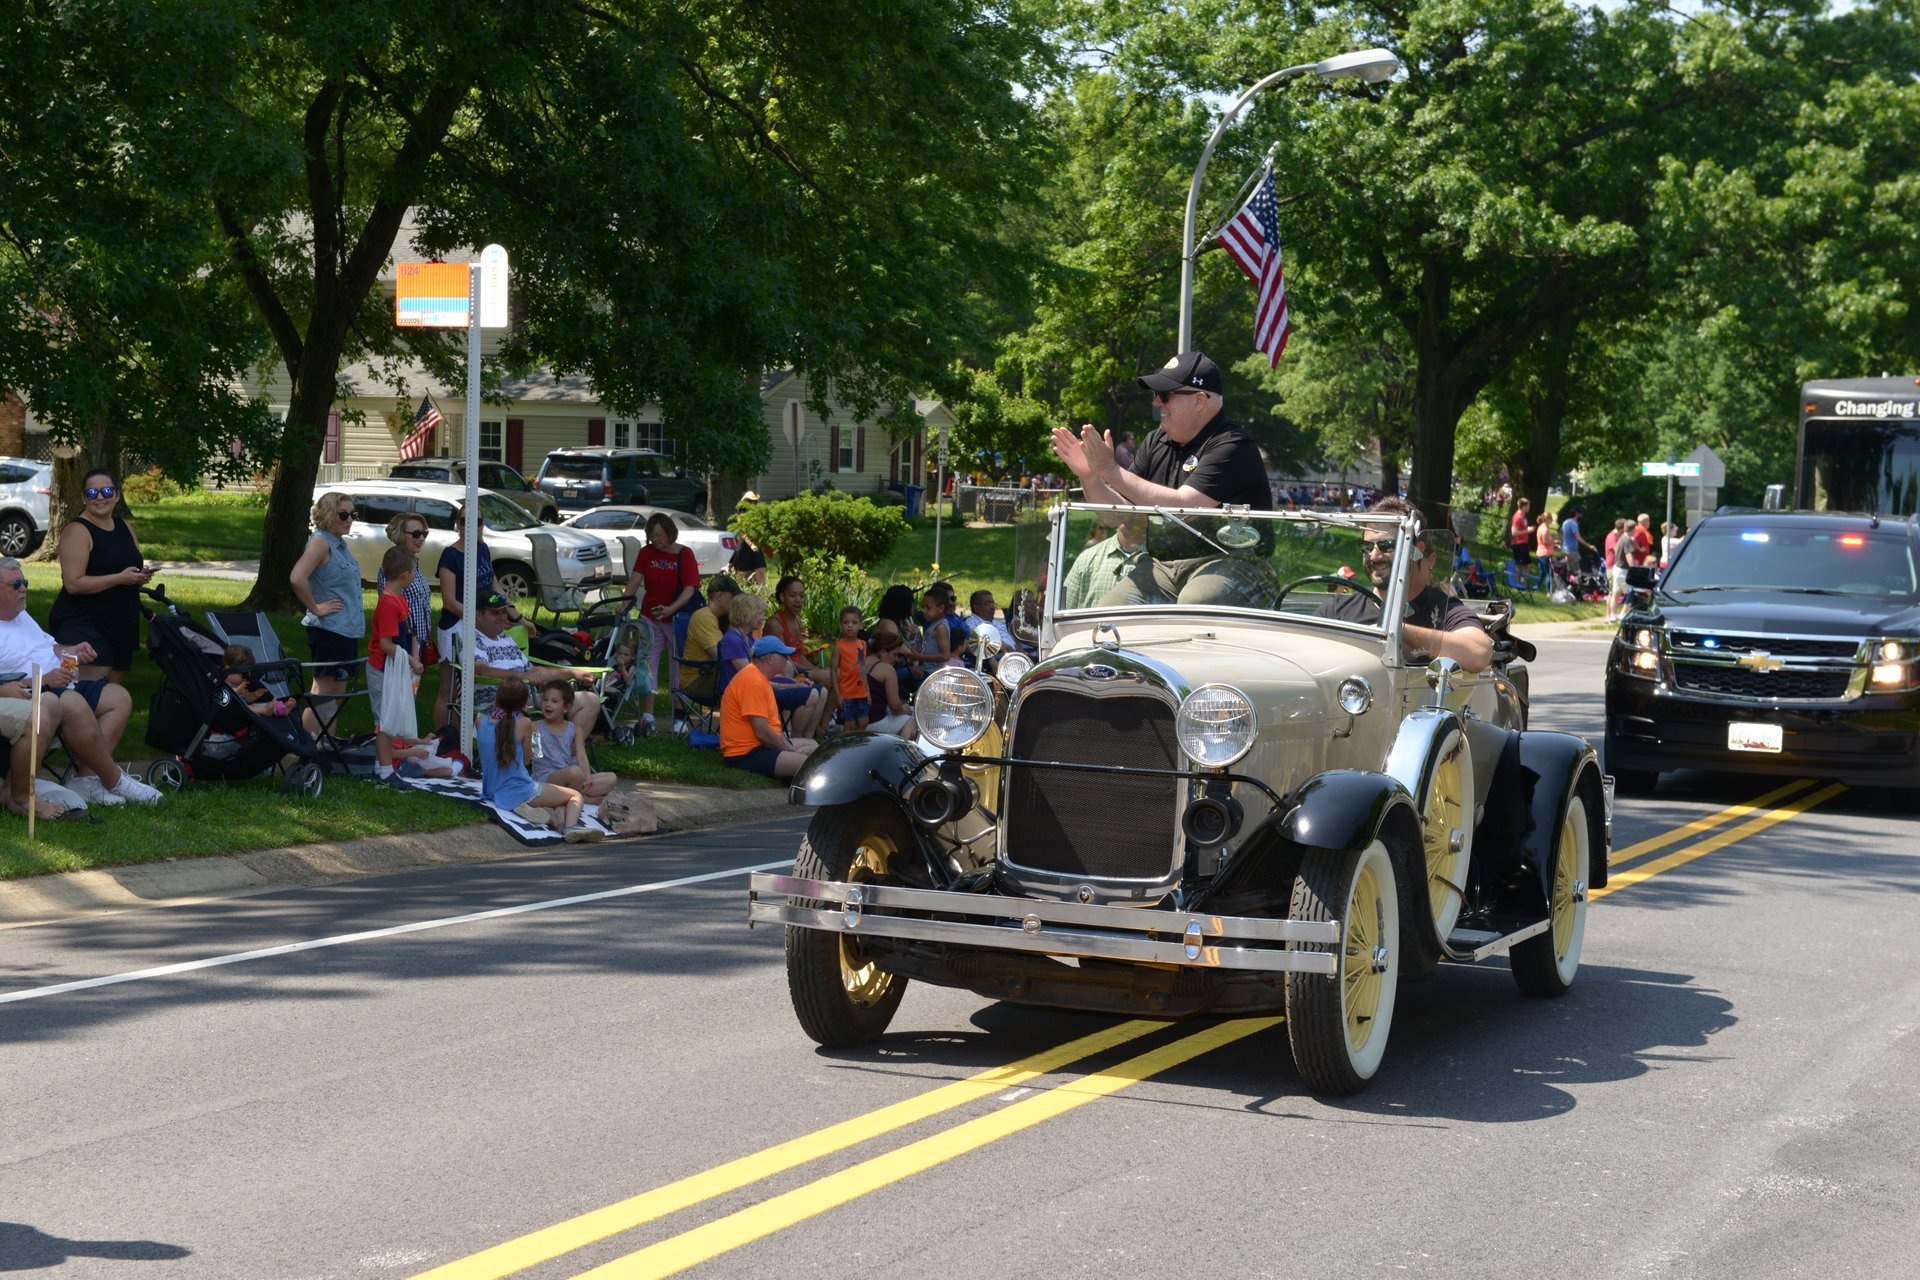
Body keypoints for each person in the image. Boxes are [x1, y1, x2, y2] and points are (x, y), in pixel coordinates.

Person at [1050, 350, 1275, 606]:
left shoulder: (1233, 446)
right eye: (1156, 395)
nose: (1157, 403)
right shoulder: (1156, 441)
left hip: (1235, 562)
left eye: (1165, 395)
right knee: (1109, 610)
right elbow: (1117, 516)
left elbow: (1186, 506)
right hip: (1163, 565)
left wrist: (1111, 470)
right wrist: (1091, 476)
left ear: (1199, 400)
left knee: (1196, 602)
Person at [0, 557, 162, 805]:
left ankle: (85, 780)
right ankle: (115, 780)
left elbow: (50, 647)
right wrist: (45, 681)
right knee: (73, 702)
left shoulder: (21, 616)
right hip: (38, 693)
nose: (24, 588)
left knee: (118, 697)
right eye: (16, 584)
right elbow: (9, 686)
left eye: (25, 582)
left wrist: (72, 651)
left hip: (62, 683)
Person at [1315, 499, 1492, 672]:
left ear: (1417, 549)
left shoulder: (1444, 610)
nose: (1374, 557)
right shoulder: (1337, 610)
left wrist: (1393, 631)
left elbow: (1479, 654)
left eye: (1387, 546)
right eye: (1367, 546)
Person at [48, 467, 153, 685]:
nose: (99, 498)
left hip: (121, 622)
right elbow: (73, 584)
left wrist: (138, 576)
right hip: (84, 622)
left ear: (116, 494)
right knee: (84, 691)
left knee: (112, 693)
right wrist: (120, 578)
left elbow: (128, 565)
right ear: (84, 498)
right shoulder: (77, 530)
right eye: (92, 493)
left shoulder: (124, 526)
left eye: (106, 491)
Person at [466, 593, 604, 743]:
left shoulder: (506, 639)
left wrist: (572, 672)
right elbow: (480, 670)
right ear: (479, 615)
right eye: (494, 613)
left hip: (526, 697)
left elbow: (533, 671)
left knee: (590, 701)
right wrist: (521, 677)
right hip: (499, 704)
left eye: (504, 612)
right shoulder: (472, 639)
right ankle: (553, 757)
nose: (502, 617)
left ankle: (565, 755)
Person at [476, 677, 599, 842]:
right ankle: (570, 828)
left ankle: (554, 819)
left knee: (556, 800)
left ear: (497, 698)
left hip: (491, 790)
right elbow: (527, 760)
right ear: (523, 703)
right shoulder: (524, 723)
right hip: (519, 789)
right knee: (575, 796)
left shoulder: (479, 721)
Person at [435, 503, 523, 732]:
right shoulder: (450, 555)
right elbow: (449, 601)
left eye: (478, 521)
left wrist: (517, 616)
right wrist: (478, 620)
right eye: (465, 520)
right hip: (456, 625)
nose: (471, 526)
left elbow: (495, 586)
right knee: (451, 686)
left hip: (481, 624)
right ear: (458, 524)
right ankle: (445, 737)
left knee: (474, 685)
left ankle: (474, 732)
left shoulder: (482, 549)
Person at [289, 491, 366, 740]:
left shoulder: (338, 544)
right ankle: (309, 748)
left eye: (352, 514)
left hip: (345, 631)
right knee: (323, 693)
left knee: (336, 693)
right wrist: (316, 607)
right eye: (343, 515)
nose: (349, 519)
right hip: (329, 630)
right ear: (326, 515)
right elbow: (296, 577)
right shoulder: (320, 542)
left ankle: (326, 746)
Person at [719, 591, 827, 739]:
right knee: (812, 694)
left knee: (822, 691)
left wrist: (795, 682)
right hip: (747, 695)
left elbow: (761, 675)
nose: (763, 618)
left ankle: (808, 738)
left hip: (760, 688)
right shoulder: (732, 641)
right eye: (759, 614)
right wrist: (792, 685)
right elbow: (751, 678)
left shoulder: (747, 637)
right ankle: (795, 739)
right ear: (746, 614)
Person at [624, 511, 701, 714]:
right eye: (651, 535)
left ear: (669, 534)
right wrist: (623, 604)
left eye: (658, 535)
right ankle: (647, 713)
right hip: (650, 617)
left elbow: (689, 589)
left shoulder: (684, 554)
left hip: (677, 619)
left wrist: (670, 609)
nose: (654, 540)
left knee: (678, 665)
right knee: (647, 664)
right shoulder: (646, 553)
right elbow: (634, 582)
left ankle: (679, 709)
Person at [720, 635, 818, 778]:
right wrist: (788, 750)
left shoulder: (758, 677)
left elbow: (768, 730)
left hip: (759, 746)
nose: (787, 659)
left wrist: (787, 748)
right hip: (745, 754)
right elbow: (762, 731)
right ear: (771, 658)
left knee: (813, 745)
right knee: (808, 763)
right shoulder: (753, 681)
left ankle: (790, 771)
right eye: (784, 655)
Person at [368, 547, 425, 779]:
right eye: (413, 572)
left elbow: (408, 632)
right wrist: (411, 659)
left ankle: (384, 765)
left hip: (393, 669)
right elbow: (385, 644)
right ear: (403, 574)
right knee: (385, 722)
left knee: (390, 719)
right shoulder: (389, 604)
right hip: (382, 669)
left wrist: (413, 659)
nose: (414, 576)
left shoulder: (399, 599)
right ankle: (384, 771)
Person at [378, 512, 437, 724]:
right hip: (401, 644)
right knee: (397, 703)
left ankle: (405, 743)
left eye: (424, 533)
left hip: (417, 642)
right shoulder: (393, 567)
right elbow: (391, 609)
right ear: (400, 534)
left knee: (409, 700)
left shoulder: (415, 566)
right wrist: (410, 652)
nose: (421, 538)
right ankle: (396, 748)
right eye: (416, 533)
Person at [528, 679, 616, 814]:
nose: (548, 704)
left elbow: (581, 756)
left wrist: (587, 779)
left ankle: (570, 794)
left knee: (611, 778)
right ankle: (582, 797)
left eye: (554, 701)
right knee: (574, 772)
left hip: (572, 776)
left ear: (566, 708)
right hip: (547, 777)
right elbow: (534, 757)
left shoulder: (575, 728)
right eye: (545, 700)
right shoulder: (535, 726)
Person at [1063, 514, 1150, 608]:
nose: (1128, 512)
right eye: (1123, 505)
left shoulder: (1162, 561)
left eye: (1134, 506)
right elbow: (1063, 614)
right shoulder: (1086, 559)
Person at [680, 574, 738, 705]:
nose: (736, 601)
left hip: (711, 675)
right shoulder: (704, 617)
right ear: (720, 596)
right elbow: (723, 655)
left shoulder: (720, 617)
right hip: (698, 680)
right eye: (733, 597)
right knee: (750, 683)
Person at [862, 624, 916, 736]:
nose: (896, 659)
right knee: (912, 721)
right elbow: (896, 707)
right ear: (882, 652)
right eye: (895, 655)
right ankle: (903, 751)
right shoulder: (886, 669)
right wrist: (906, 708)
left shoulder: (861, 661)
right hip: (871, 722)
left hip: (847, 721)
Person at [832, 606, 869, 731]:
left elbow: (863, 669)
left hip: (861, 692)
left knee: (864, 721)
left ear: (861, 625)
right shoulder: (839, 646)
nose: (850, 626)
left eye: (854, 622)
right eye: (846, 622)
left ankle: (858, 745)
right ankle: (846, 747)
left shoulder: (862, 644)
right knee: (849, 724)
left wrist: (867, 691)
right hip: (846, 693)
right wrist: (837, 694)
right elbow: (833, 670)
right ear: (841, 625)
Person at [728, 492, 768, 586]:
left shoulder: (756, 514)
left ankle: (764, 595)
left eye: (754, 501)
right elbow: (743, 532)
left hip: (756, 545)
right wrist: (751, 544)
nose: (753, 503)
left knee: (760, 570)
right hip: (744, 547)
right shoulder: (741, 515)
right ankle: (738, 595)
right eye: (751, 501)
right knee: (741, 575)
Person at [1560, 504, 1597, 574]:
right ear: (1577, 514)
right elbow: (1578, 537)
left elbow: (1561, 534)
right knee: (1577, 572)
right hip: (1572, 551)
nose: (1582, 516)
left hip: (1564, 550)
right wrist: (1589, 545)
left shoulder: (1566, 521)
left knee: (1568, 571)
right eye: (1581, 514)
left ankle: (1568, 584)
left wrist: (1562, 545)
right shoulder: (1574, 524)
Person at [1509, 497, 1533, 567]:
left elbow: (1522, 528)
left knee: (1528, 565)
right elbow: (1514, 532)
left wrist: (1528, 529)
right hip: (1518, 544)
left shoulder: (1523, 516)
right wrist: (1527, 531)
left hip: (1523, 544)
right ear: (1524, 506)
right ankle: (1518, 578)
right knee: (1519, 565)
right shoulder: (1517, 517)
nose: (1529, 507)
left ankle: (1523, 578)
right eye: (1528, 505)